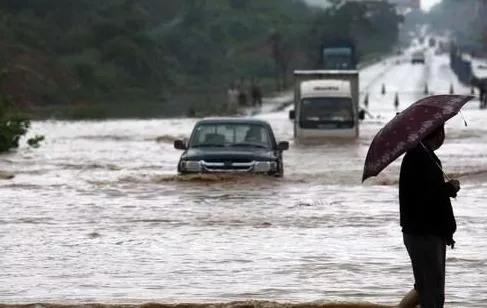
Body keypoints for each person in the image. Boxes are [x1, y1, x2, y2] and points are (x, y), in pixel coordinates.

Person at [399, 124, 460, 308]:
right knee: (432, 293)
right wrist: (449, 188)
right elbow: (425, 197)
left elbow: (427, 193)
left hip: (424, 233)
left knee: (426, 288)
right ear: (438, 133)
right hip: (424, 234)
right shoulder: (419, 158)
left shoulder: (422, 156)